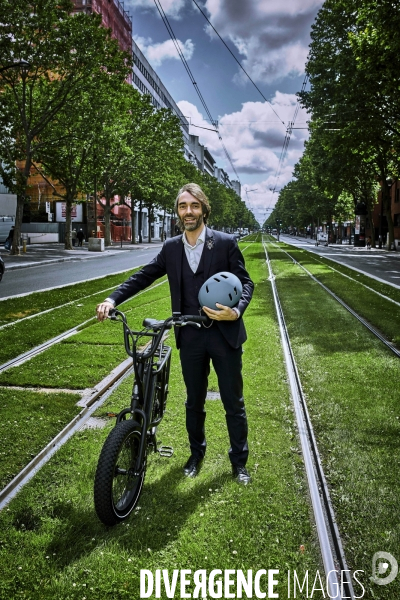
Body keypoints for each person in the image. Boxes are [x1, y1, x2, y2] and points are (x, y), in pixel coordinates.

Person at [96, 183, 254, 485]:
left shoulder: (225, 243)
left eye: (194, 205)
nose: (189, 211)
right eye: (183, 206)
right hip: (190, 335)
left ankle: (239, 462)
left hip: (225, 334)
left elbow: (246, 284)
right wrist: (112, 299)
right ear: (178, 212)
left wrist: (236, 311)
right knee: (193, 400)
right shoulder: (171, 248)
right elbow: (144, 276)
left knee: (233, 401)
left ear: (204, 209)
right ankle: (196, 455)